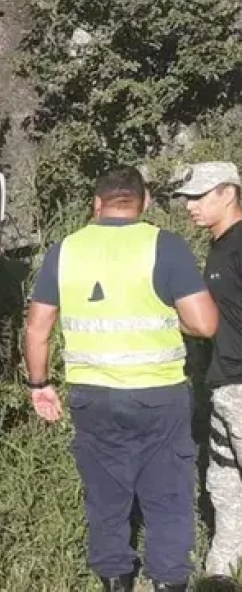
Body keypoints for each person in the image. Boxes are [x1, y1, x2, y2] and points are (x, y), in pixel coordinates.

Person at [24, 166, 219, 592]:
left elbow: (37, 328)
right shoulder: (164, 246)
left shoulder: (65, 250)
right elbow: (204, 324)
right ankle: (168, 582)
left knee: (106, 495)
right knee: (167, 496)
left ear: (96, 204)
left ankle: (115, 580)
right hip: (159, 394)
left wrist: (39, 385)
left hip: (93, 396)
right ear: (144, 202)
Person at [172, 161, 242, 581]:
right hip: (222, 385)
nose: (190, 206)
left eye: (200, 196)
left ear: (229, 194)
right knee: (224, 484)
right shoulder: (219, 247)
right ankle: (221, 573)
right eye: (187, 198)